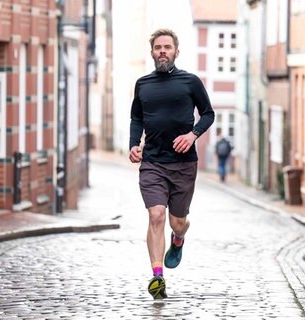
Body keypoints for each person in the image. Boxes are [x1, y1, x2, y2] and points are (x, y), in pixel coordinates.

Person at [128, 28, 215, 300]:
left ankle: (178, 240)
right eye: (158, 47)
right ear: (152, 52)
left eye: (167, 47)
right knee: (156, 216)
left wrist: (192, 135)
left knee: (178, 222)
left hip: (183, 165)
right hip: (153, 162)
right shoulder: (143, 84)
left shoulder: (190, 82)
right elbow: (137, 119)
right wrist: (134, 144)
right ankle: (157, 277)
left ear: (177, 51)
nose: (162, 51)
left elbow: (208, 114)